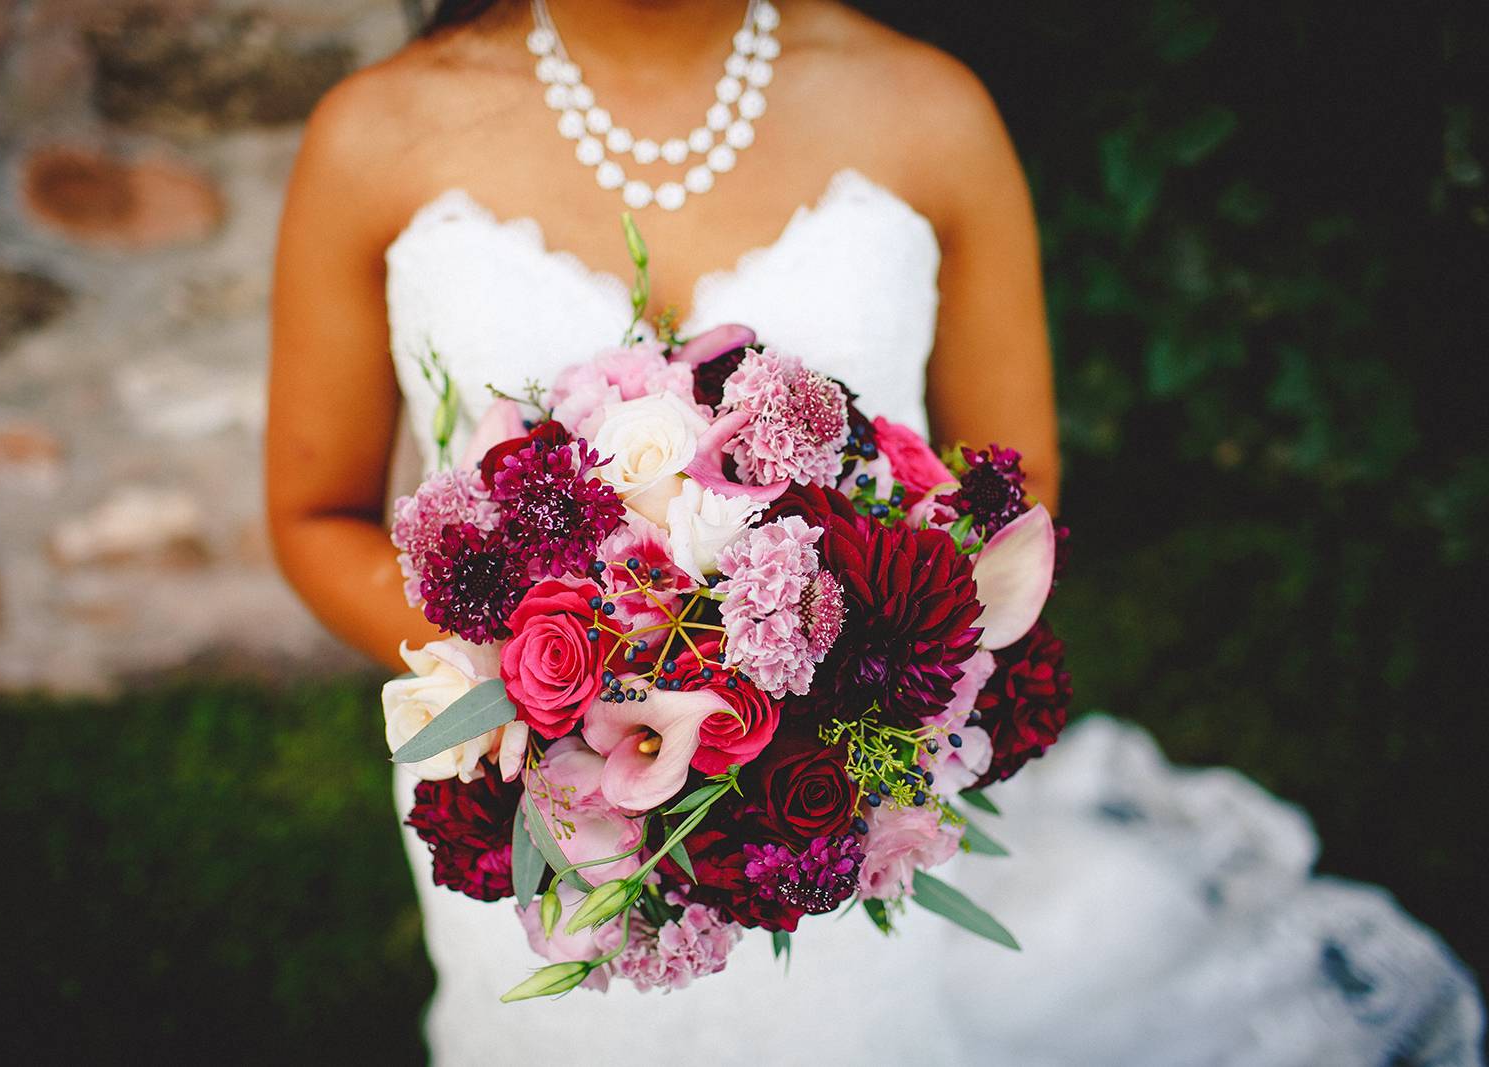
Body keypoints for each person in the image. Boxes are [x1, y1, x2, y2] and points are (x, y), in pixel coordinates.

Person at [266, 2, 1483, 1063]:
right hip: (532, 782)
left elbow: (1016, 488)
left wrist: (810, 697)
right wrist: (543, 685)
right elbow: (314, 514)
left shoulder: (930, 112)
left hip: (832, 786)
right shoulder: (376, 136)